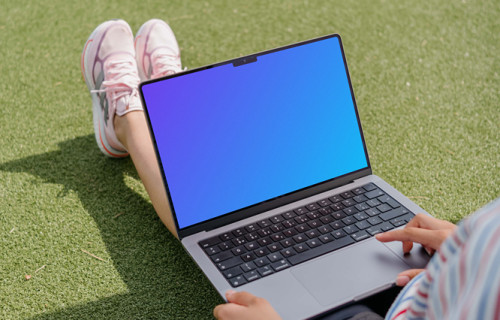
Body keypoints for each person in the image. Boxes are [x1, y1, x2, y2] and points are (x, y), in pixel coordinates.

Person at [82, 20, 500, 320]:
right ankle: (168, 109)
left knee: (209, 218)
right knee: (214, 209)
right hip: (430, 282)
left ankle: (132, 120)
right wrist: (470, 256)